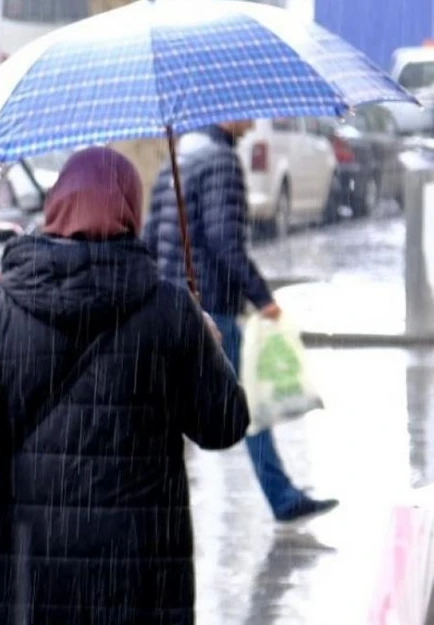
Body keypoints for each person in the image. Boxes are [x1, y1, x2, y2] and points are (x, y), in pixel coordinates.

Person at [0, 147, 251, 624]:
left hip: (28, 560)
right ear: (131, 210)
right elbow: (224, 425)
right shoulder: (169, 309)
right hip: (135, 567)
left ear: (56, 206)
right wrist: (207, 344)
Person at [143, 122, 340, 523]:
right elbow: (223, 241)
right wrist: (262, 298)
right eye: (243, 112)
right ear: (222, 116)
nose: (252, 121)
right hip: (209, 306)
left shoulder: (177, 157)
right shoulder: (220, 161)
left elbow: (150, 235)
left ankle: (156, 507)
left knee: (163, 409)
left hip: (169, 306)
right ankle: (282, 496)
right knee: (244, 404)